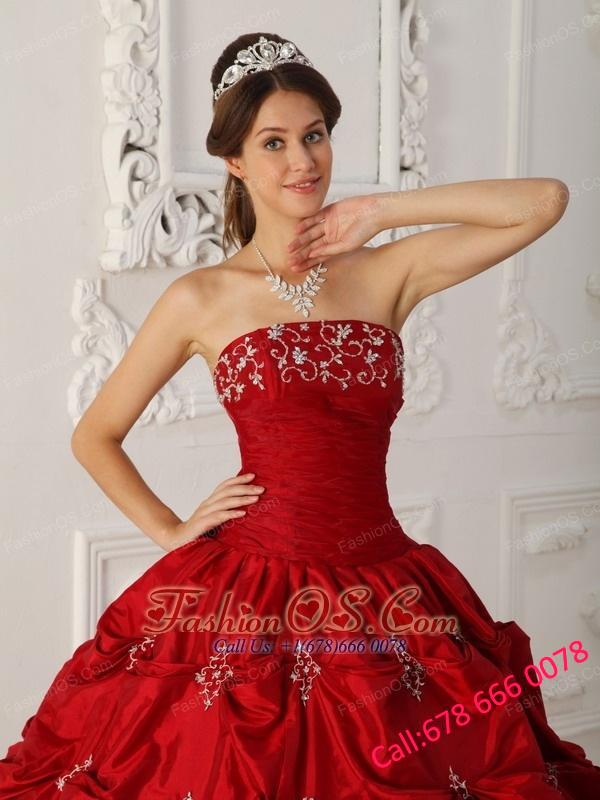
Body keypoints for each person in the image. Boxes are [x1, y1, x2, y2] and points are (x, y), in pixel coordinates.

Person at [1, 30, 599, 800]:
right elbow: (95, 435)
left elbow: (544, 202)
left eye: (314, 135)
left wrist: (381, 211)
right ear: (235, 161)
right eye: (274, 142)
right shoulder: (203, 298)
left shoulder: (387, 272)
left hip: (386, 587)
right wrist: (171, 530)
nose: (302, 161)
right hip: (248, 591)